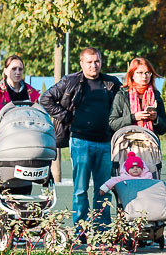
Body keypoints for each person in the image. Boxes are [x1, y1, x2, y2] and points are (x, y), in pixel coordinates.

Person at [40, 47, 122, 231]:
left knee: (103, 190)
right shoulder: (71, 81)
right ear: (82, 63)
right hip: (80, 142)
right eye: (89, 62)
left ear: (101, 61)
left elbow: (121, 107)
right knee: (80, 190)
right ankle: (81, 230)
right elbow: (45, 99)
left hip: (105, 143)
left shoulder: (112, 83)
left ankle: (102, 230)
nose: (94, 65)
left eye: (97, 61)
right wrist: (66, 117)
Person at [0, 55, 40, 146]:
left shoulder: (31, 94)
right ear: (5, 71)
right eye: (14, 69)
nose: (17, 72)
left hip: (27, 143)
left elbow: (38, 118)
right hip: (3, 144)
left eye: (20, 69)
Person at [109, 57, 166, 135]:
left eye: (147, 73)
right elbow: (112, 123)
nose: (144, 76)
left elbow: (163, 129)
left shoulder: (156, 96)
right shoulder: (122, 95)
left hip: (149, 143)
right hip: (127, 143)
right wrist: (133, 117)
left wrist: (155, 119)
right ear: (132, 75)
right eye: (140, 73)